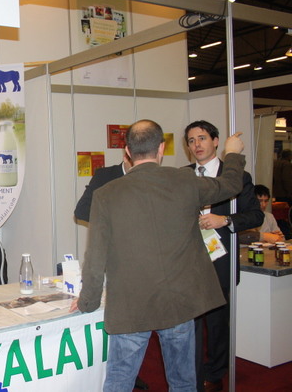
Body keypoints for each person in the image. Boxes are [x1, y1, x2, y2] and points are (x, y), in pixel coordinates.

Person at [71, 119, 246, 391]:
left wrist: (87, 302)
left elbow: (95, 258)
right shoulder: (185, 181)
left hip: (131, 306)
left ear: (128, 151)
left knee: (119, 382)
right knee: (183, 382)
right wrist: (232, 152)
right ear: (162, 148)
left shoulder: (106, 195)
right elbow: (231, 184)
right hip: (179, 303)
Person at [184, 120, 263, 392]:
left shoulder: (237, 176)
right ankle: (191, 374)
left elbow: (256, 215)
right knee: (190, 325)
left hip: (221, 260)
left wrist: (225, 220)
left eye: (202, 138)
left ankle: (215, 373)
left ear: (216, 141)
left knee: (218, 324)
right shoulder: (182, 176)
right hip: (188, 261)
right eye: (191, 140)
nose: (197, 145)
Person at [74, 151, 150, 391]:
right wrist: (114, 219)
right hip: (113, 254)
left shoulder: (148, 176)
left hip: (144, 257)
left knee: (137, 320)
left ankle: (133, 370)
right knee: (118, 315)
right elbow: (82, 210)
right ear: (127, 154)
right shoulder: (105, 176)